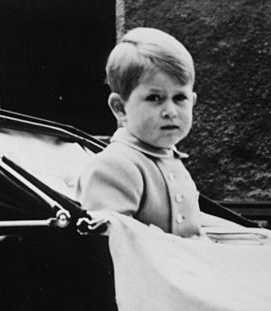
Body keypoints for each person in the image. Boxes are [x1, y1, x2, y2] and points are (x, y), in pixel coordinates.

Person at [76, 27, 202, 238]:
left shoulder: (170, 158)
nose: (170, 112)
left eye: (180, 98)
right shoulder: (115, 166)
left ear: (193, 101)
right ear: (120, 108)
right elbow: (114, 247)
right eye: (155, 98)